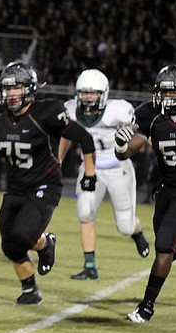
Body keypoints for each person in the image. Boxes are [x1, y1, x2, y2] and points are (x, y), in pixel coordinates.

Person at [0, 62, 96, 305]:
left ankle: (44, 243)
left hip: (45, 184)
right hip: (15, 186)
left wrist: (90, 174)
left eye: (16, 88)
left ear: (29, 88)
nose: (11, 94)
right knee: (9, 245)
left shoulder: (47, 112)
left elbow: (84, 137)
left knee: (22, 236)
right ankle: (30, 289)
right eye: (8, 89)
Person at [114, 65, 176, 323]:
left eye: (173, 93)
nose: (167, 98)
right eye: (164, 92)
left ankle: (146, 307)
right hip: (165, 189)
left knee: (164, 244)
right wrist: (121, 145)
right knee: (172, 246)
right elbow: (128, 151)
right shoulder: (150, 113)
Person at [59, 69, 149, 280]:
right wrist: (58, 161)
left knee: (125, 226)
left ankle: (137, 231)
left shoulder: (119, 110)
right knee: (84, 212)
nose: (88, 97)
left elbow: (142, 132)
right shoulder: (70, 110)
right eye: (84, 93)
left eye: (93, 93)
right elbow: (65, 136)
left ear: (104, 94)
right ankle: (89, 266)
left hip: (118, 168)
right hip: (91, 167)